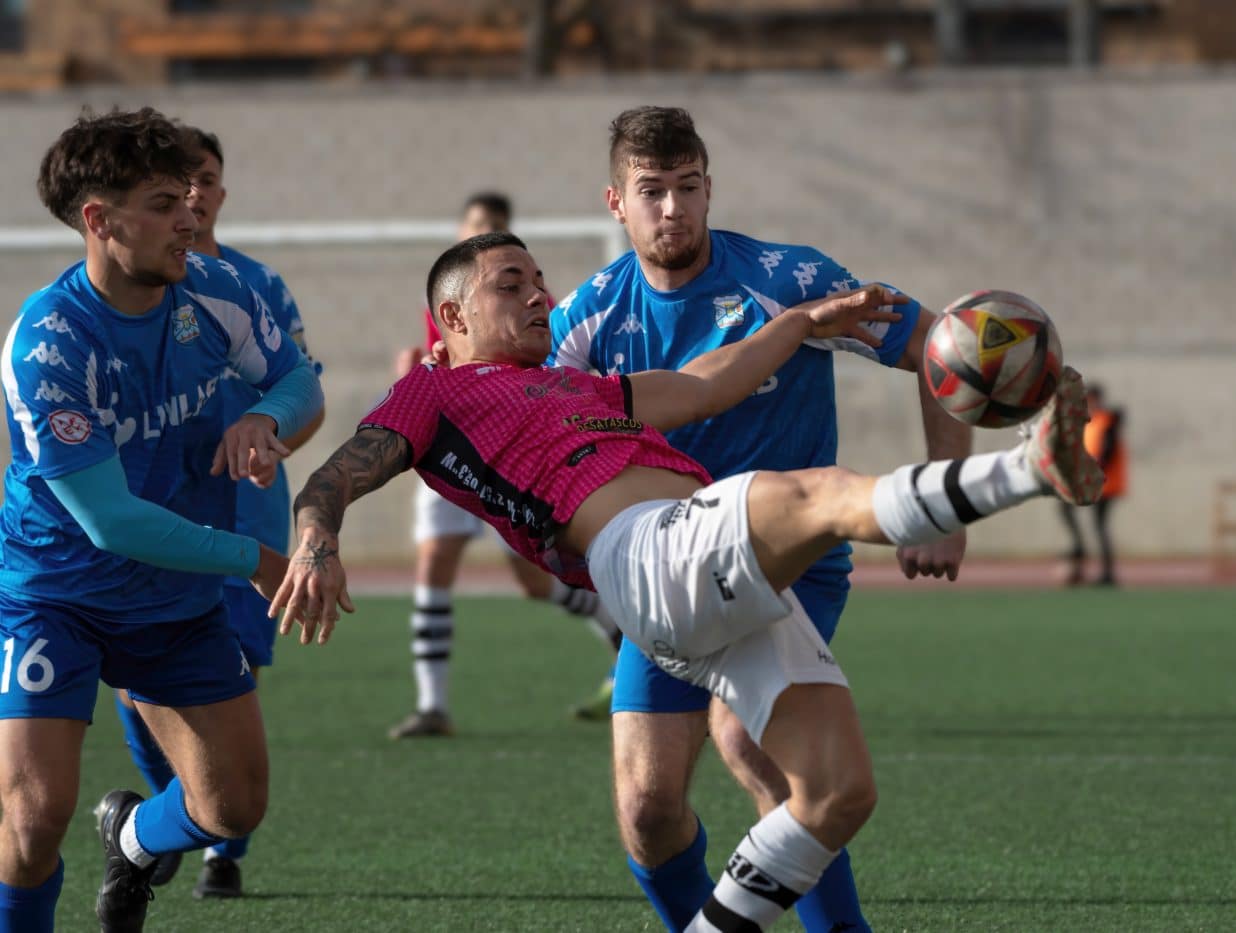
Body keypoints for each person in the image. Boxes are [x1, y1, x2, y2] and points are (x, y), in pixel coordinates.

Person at [270, 232, 1103, 933]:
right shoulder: (433, 389)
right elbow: (333, 478)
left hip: (696, 579)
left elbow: (713, 379)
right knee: (811, 492)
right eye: (510, 284)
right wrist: (315, 540)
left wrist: (808, 320)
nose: (538, 296)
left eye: (539, 281)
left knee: (837, 794)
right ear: (451, 316)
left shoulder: (581, 385)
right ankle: (1030, 469)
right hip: (643, 555)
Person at [547, 105, 970, 932]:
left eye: (688, 188)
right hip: (668, 574)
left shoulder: (789, 280)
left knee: (752, 744)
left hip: (787, 565)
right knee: (646, 806)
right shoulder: (587, 319)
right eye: (652, 191)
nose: (673, 209)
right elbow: (532, 423)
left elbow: (941, 345)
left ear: (709, 187)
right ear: (615, 203)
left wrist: (941, 499)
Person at [0, 107, 322, 933]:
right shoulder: (48, 341)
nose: (190, 215)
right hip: (55, 591)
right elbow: (109, 521)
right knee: (33, 822)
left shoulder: (214, 288)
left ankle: (135, 836)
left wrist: (269, 420)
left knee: (235, 806)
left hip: (173, 592)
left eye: (189, 194)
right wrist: (252, 557)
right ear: (99, 221)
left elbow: (300, 383)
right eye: (161, 201)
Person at [108, 125, 326, 900]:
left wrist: (268, 430)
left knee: (231, 676)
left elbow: (304, 393)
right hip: (150, 522)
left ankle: (219, 849)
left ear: (221, 192)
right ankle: (175, 809)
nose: (192, 197)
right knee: (136, 691)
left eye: (202, 180)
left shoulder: (258, 287)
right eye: (174, 186)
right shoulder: (116, 298)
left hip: (245, 519)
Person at [388, 191, 622, 738]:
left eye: (492, 227)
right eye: (474, 226)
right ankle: (432, 705)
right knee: (433, 567)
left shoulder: (534, 300)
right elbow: (439, 365)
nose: (480, 233)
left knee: (535, 584)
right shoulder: (446, 298)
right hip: (448, 449)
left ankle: (620, 626)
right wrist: (416, 370)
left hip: (510, 453)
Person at [1057, 383, 1126, 586]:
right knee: (1065, 508)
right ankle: (1079, 549)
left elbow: (1106, 452)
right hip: (1088, 481)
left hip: (1104, 483)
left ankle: (1107, 572)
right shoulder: (1089, 422)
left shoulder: (1107, 421)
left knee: (1099, 525)